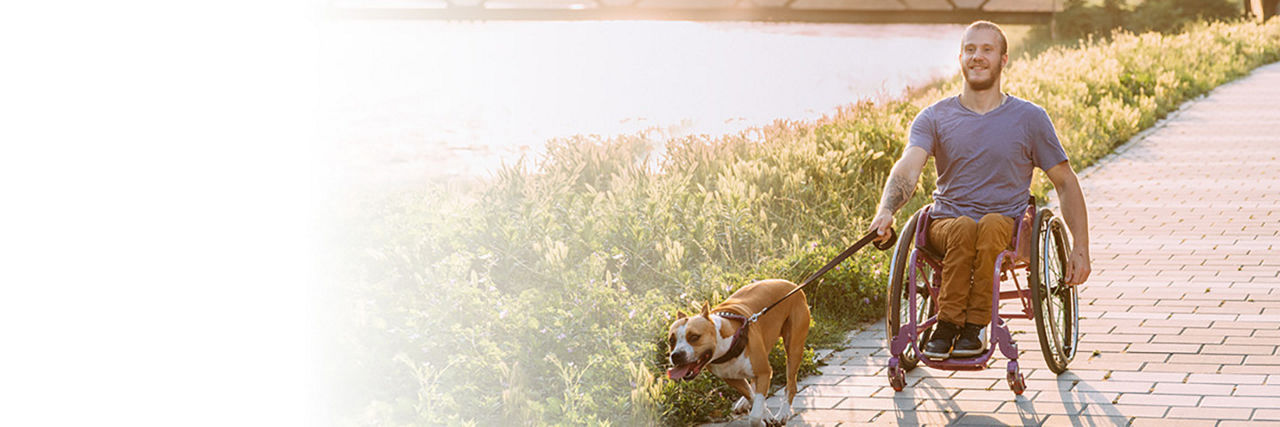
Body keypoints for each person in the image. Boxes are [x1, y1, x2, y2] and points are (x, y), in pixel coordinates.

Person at [868, 21, 1092, 360]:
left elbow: (1065, 181)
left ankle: (973, 325)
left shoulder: (1030, 118)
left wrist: (1081, 248)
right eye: (970, 49)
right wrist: (886, 210)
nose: (978, 56)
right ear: (960, 57)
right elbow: (908, 166)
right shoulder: (934, 117)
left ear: (1003, 60)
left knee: (986, 226)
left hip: (1006, 226)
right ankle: (947, 323)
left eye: (987, 49)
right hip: (948, 224)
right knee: (963, 227)